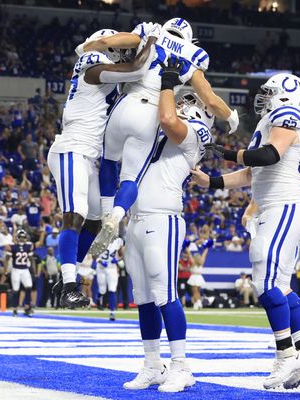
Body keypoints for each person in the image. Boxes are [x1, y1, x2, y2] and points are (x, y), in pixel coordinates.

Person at [191, 73, 300, 390]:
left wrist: (226, 152)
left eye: (269, 91)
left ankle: (285, 356)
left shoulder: (287, 114)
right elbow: (253, 173)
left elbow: (270, 155)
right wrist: (211, 182)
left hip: (282, 208)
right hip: (275, 208)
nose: (262, 97)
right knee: (281, 287)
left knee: (264, 284)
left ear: (284, 95)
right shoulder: (272, 120)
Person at [81, 19, 239, 256]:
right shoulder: (193, 55)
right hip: (150, 114)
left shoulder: (151, 31)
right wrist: (232, 117)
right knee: (130, 178)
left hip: (126, 103)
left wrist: (85, 48)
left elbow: (107, 42)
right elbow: (210, 99)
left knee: (109, 160)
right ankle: (115, 216)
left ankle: (105, 213)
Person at [121, 60, 216, 392]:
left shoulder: (196, 134)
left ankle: (181, 366)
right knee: (143, 297)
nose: (182, 102)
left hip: (164, 217)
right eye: (183, 99)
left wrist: (168, 81)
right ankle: (152, 364)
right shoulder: (155, 131)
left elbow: (168, 118)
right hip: (136, 218)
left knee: (164, 292)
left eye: (191, 101)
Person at [47, 29, 157, 308]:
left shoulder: (99, 72)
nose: (121, 54)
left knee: (95, 221)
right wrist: (152, 40)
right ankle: (70, 284)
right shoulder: (92, 67)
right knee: (75, 215)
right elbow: (136, 68)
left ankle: (66, 277)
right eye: (117, 49)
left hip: (87, 155)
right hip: (72, 149)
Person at [6, 230, 35, 317]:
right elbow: (6, 259)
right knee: (16, 290)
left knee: (29, 287)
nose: (22, 239)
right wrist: (5, 270)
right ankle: (15, 309)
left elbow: (31, 259)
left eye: (24, 237)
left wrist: (33, 270)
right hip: (16, 270)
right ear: (18, 238)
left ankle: (27, 307)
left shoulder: (29, 245)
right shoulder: (12, 246)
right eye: (21, 237)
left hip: (25, 269)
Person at [96, 238, 123, 320]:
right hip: (101, 267)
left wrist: (118, 259)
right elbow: (94, 255)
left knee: (112, 289)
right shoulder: (100, 239)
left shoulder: (119, 241)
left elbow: (122, 254)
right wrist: (100, 261)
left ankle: (112, 312)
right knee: (102, 290)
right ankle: (98, 299)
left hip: (112, 268)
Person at [187, 239, 211, 310]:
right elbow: (204, 254)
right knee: (198, 292)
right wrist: (207, 247)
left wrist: (186, 247)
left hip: (194, 277)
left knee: (195, 292)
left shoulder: (193, 262)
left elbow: (189, 254)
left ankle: (197, 303)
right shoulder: (201, 262)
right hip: (199, 277)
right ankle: (198, 302)